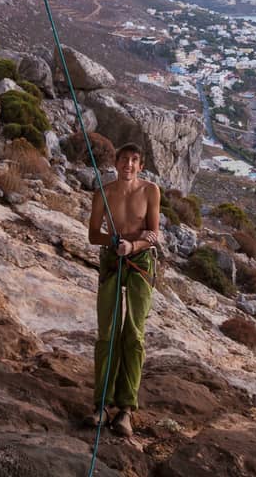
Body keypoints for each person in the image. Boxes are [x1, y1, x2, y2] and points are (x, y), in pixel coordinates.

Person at [85, 142, 162, 438]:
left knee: (134, 333)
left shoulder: (151, 191)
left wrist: (133, 245)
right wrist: (113, 243)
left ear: (140, 166)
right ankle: (102, 404)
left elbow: (153, 234)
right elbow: (93, 234)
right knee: (107, 333)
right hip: (112, 261)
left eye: (134, 160)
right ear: (115, 164)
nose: (128, 165)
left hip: (140, 261)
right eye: (124, 160)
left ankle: (126, 409)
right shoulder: (103, 193)